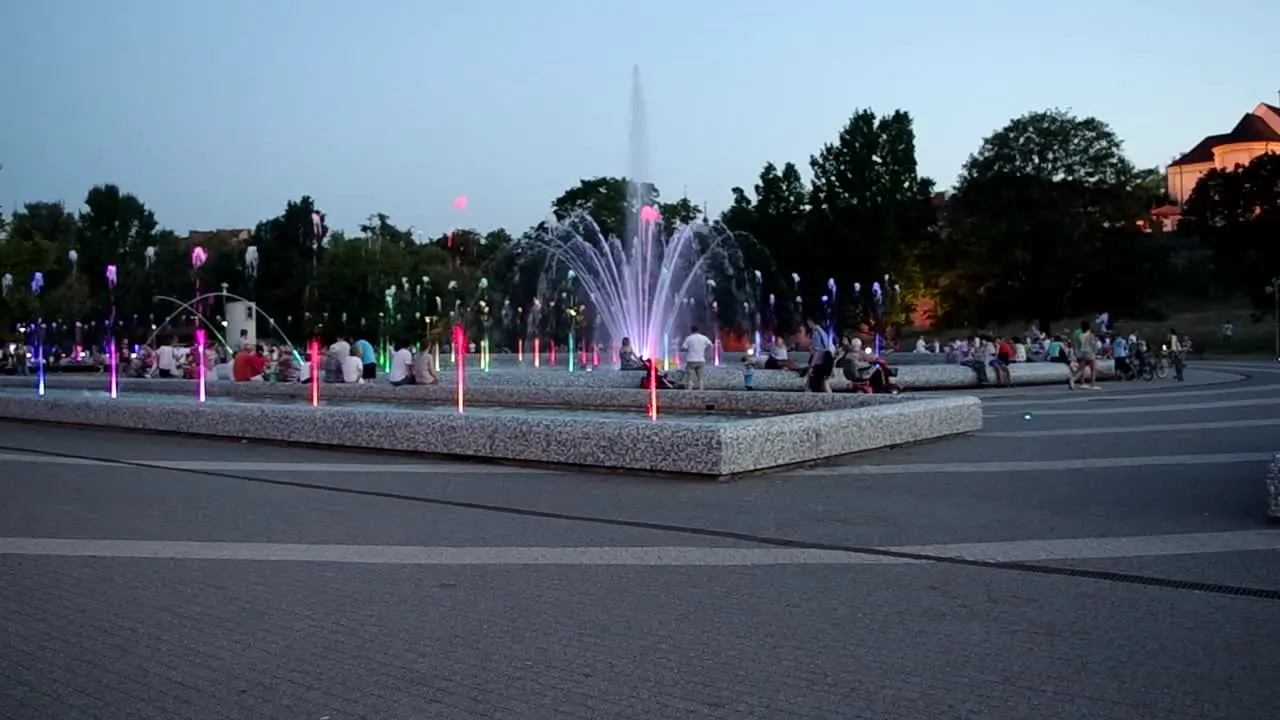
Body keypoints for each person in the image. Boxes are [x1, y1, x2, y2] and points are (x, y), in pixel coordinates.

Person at [804, 319, 834, 393]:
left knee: (809, 384)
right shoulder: (823, 332)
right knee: (825, 384)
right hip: (827, 360)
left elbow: (817, 351)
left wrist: (811, 365)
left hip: (819, 362)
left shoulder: (816, 333)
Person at [681, 325, 713, 390]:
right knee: (700, 376)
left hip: (691, 360)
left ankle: (690, 389)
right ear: (699, 330)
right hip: (701, 359)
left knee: (690, 376)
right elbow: (710, 345)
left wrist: (689, 350)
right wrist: (705, 349)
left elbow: (684, 347)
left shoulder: (689, 338)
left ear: (691, 330)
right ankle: (701, 389)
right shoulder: (704, 338)